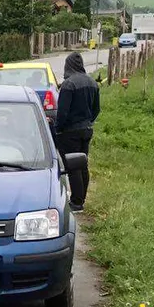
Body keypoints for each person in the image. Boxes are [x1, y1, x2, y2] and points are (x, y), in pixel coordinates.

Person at [54, 52, 100, 212]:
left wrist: (58, 128)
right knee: (82, 164)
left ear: (68, 66)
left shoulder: (68, 84)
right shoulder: (93, 83)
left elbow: (63, 112)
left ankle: (76, 202)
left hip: (70, 131)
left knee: (73, 166)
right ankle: (82, 199)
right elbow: (96, 109)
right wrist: (88, 122)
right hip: (86, 130)